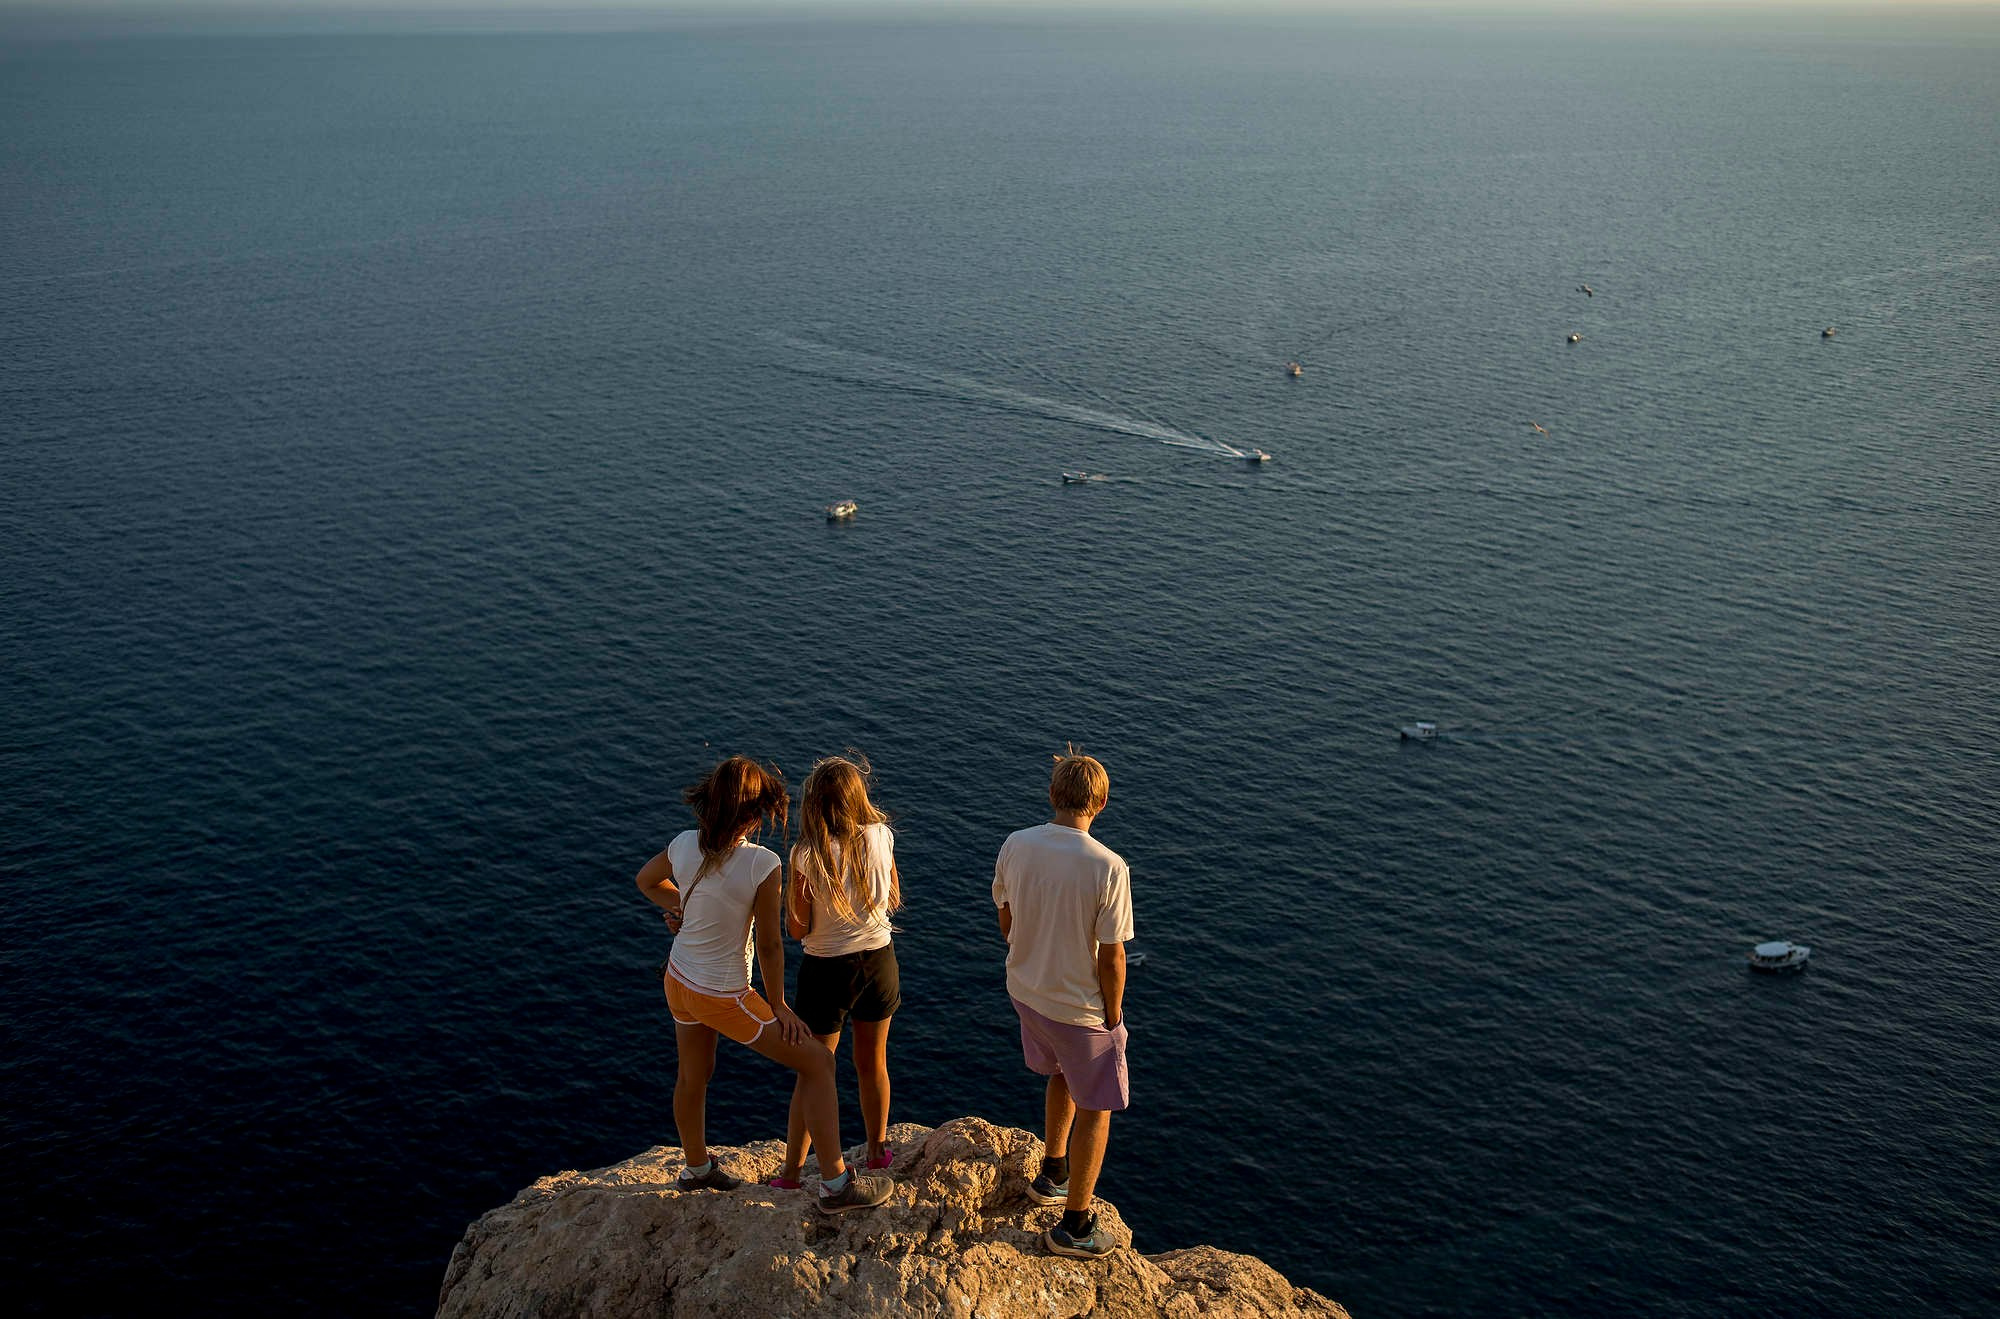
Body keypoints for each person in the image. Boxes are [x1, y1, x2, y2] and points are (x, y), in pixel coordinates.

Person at [634, 755, 890, 1214]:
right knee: (818, 1065)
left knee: (693, 1075)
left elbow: (646, 881)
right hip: (724, 994)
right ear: (753, 816)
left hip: (678, 981)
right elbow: (771, 946)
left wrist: (682, 910)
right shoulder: (762, 863)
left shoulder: (683, 844)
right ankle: (835, 1185)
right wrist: (779, 1005)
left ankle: (696, 1168)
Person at [993, 748, 1134, 1258]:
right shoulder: (1108, 867)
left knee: (1059, 1075)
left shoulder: (1016, 844)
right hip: (1079, 1009)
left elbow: (1006, 922)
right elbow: (1113, 958)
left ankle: (1052, 1172)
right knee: (1097, 1105)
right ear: (1100, 803)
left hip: (1027, 992)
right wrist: (1112, 1017)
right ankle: (1074, 1227)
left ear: (1053, 795)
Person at [767, 755, 902, 1188]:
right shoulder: (882, 835)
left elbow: (798, 927)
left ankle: (790, 1172)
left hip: (826, 971)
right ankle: (878, 1152)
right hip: (879, 961)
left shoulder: (806, 854)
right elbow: (892, 896)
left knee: (814, 1070)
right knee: (872, 1062)